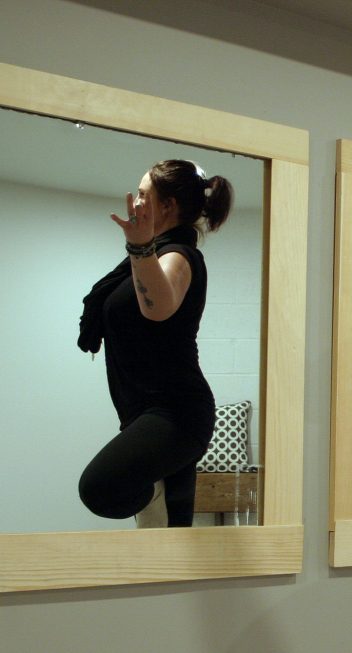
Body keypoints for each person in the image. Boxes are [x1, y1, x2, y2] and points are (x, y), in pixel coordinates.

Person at [78, 159, 233, 528]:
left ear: (168, 206)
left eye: (145, 195)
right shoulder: (150, 256)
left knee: (99, 487)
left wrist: (141, 245)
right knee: (171, 543)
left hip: (176, 412)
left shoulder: (179, 256)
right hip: (146, 412)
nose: (136, 203)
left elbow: (159, 308)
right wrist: (142, 248)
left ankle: (152, 493)